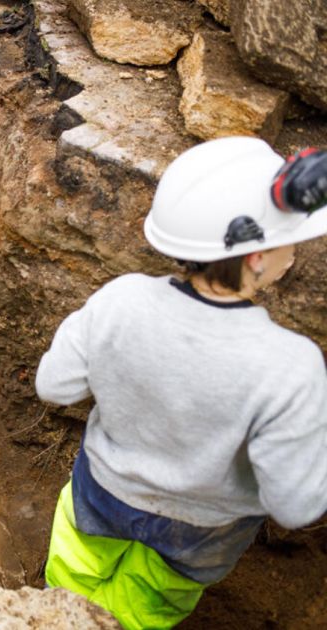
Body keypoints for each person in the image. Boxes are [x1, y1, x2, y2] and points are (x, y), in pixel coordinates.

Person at [35, 136, 327, 629]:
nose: (295, 250)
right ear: (255, 258)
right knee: (140, 610)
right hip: (202, 532)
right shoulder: (291, 366)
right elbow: (295, 505)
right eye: (290, 239)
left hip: (103, 492)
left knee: (70, 581)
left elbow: (55, 387)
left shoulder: (119, 300)